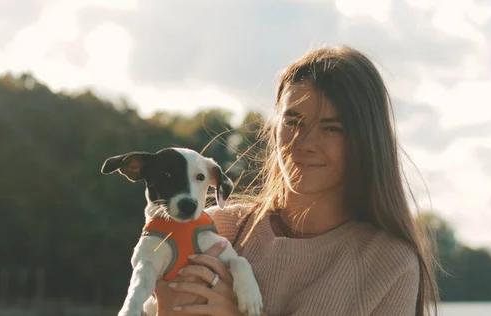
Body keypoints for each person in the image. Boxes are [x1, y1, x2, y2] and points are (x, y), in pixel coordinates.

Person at [150, 45, 440, 315]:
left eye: (331, 128)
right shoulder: (211, 229)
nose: (303, 142)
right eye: (292, 122)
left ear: (365, 141)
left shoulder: (389, 265)